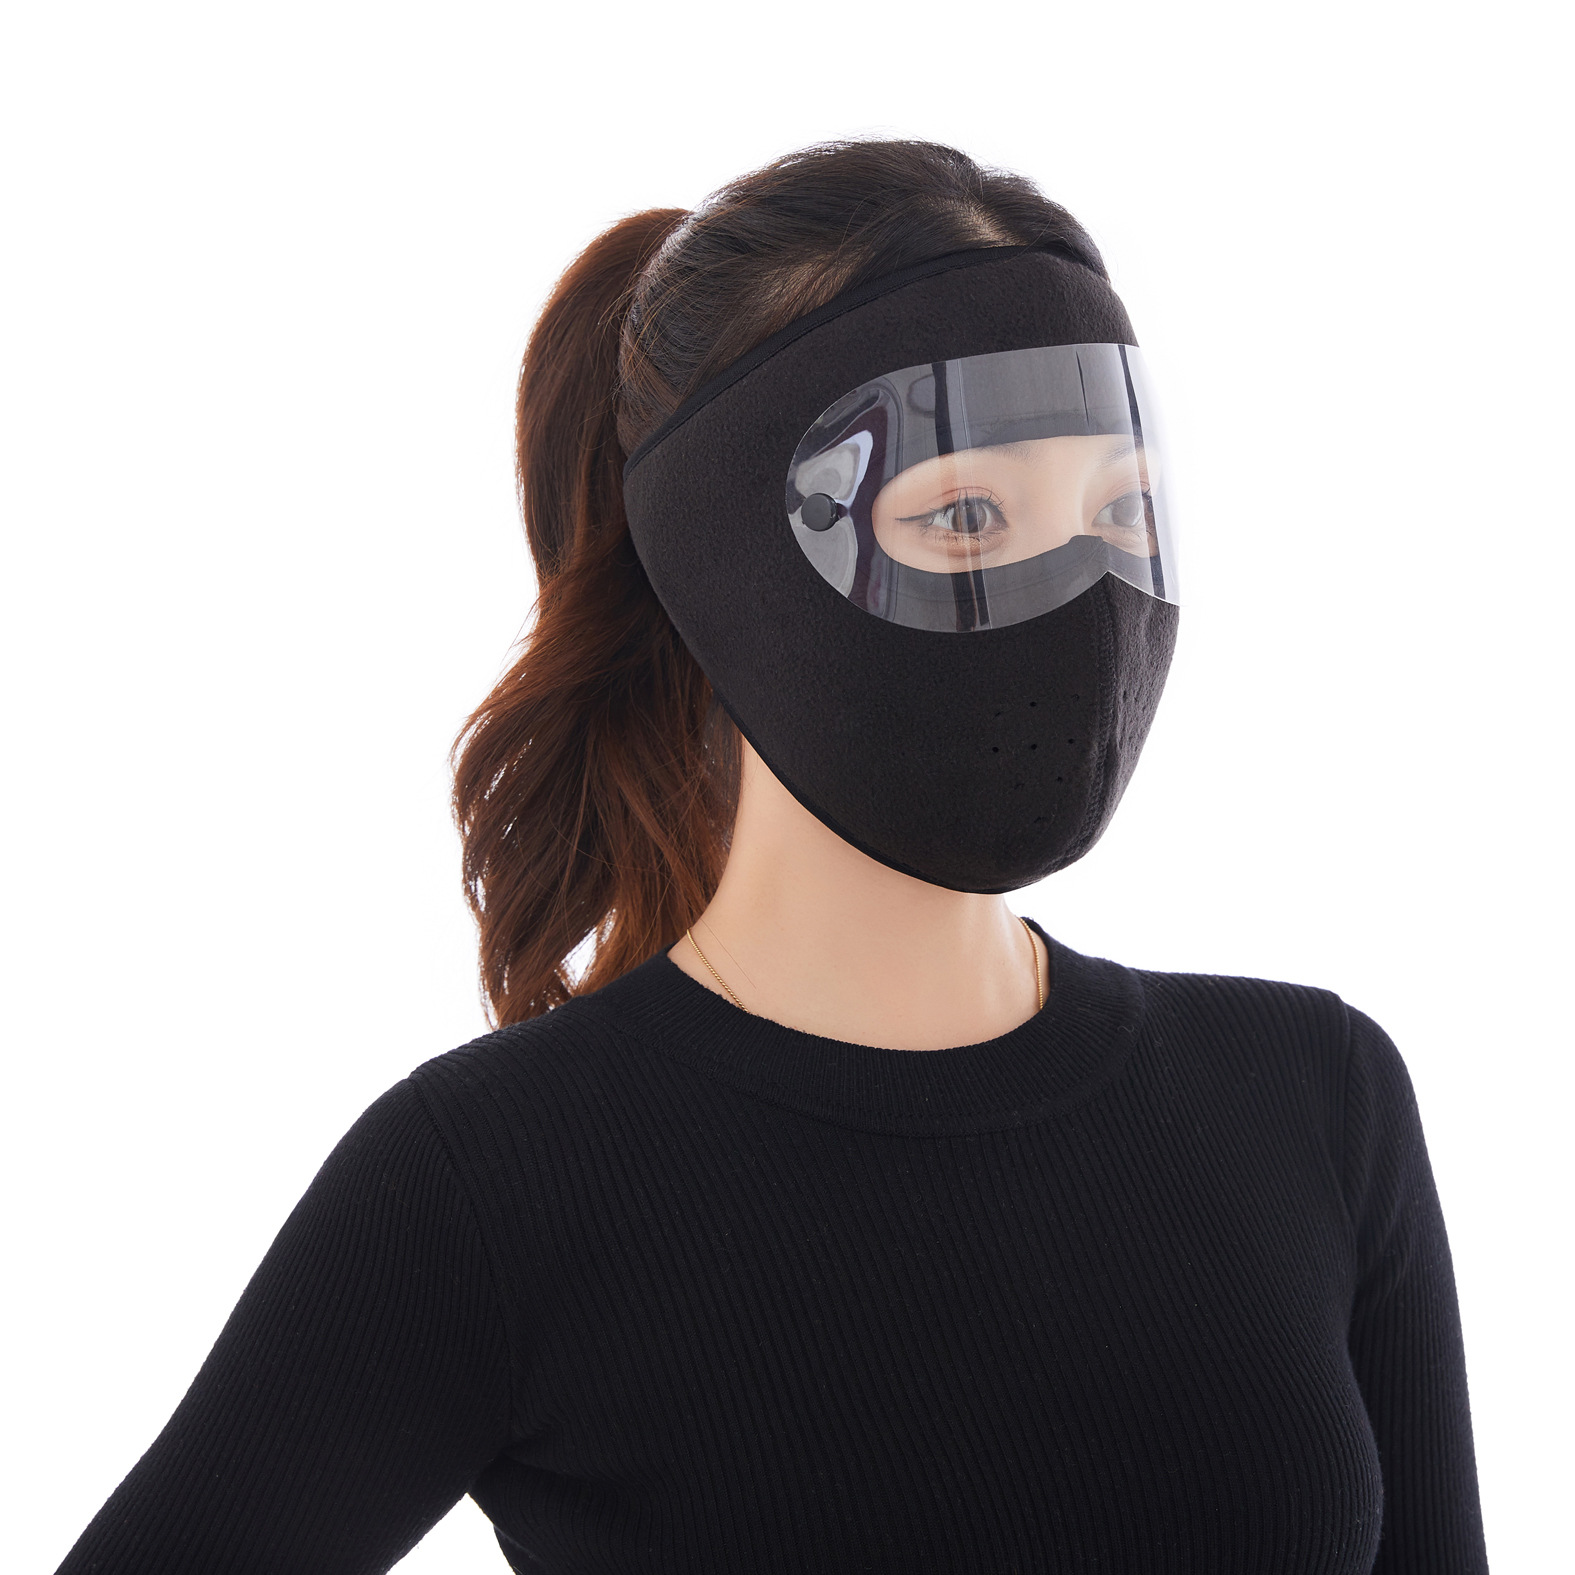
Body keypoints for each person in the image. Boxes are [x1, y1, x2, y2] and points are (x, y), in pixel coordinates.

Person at [55, 138, 1490, 1574]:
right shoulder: (493, 1182)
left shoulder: (1314, 1099)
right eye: (966, 518)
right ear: (715, 562)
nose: (1084, 602)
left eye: (1120, 512)